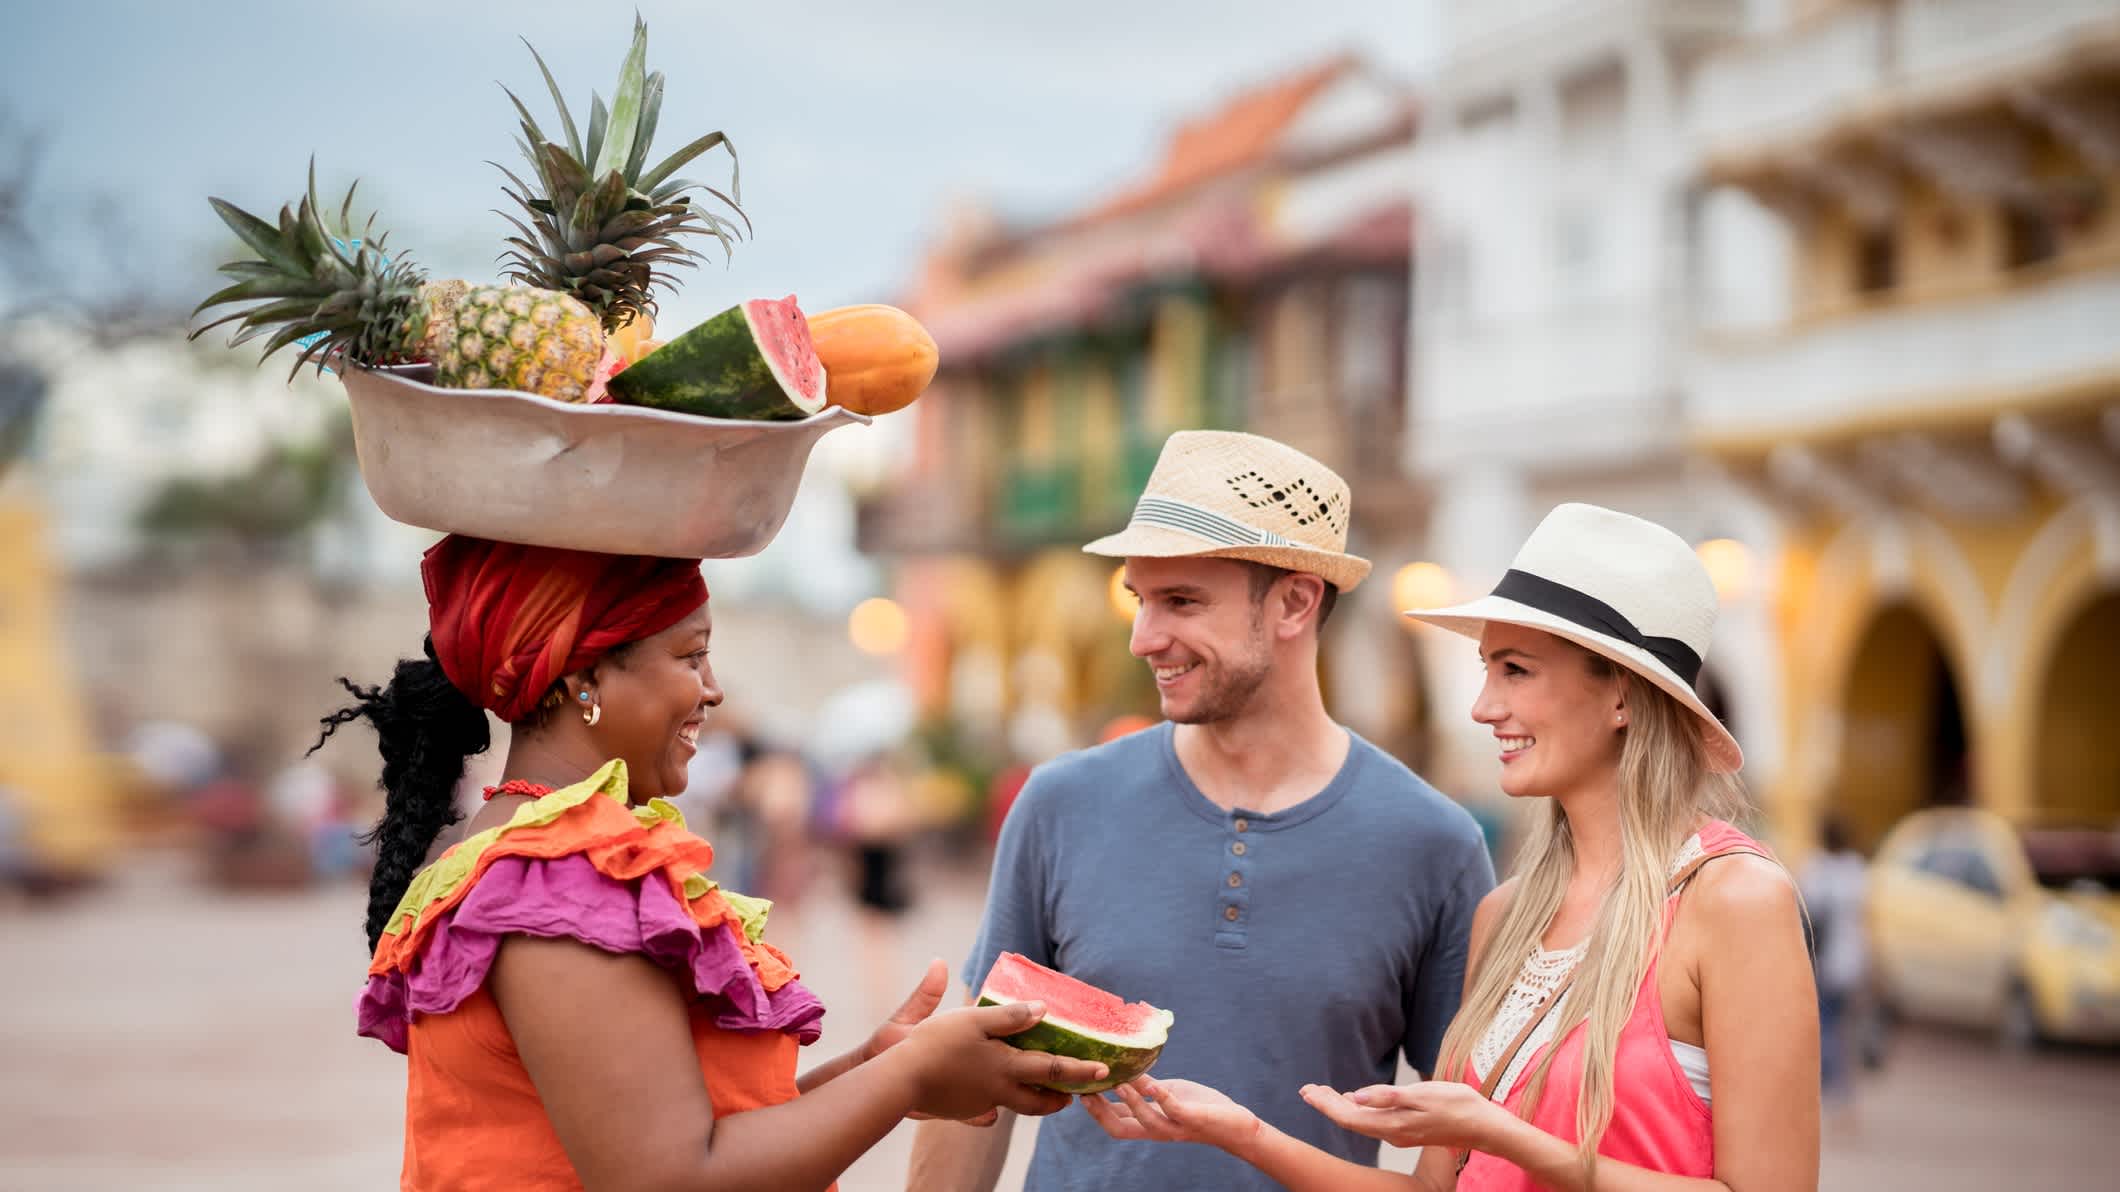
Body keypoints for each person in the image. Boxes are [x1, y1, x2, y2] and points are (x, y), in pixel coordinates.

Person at [317, 534, 1109, 1190]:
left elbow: (683, 1136)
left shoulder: (526, 850)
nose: (714, 691)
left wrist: (876, 1071)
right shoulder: (558, 875)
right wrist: (906, 1080)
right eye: (691, 657)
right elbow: (672, 1180)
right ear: (584, 675)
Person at [1080, 503, 1821, 1191]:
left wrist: (1508, 1136)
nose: (1483, 706)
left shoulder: (1734, 902)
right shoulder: (1503, 918)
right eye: (1487, 669)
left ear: (1622, 694)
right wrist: (1239, 1132)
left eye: (1516, 671)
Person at [909, 430, 1495, 1192]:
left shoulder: (1435, 845)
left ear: (1293, 602)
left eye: (1180, 602)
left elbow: (1465, 1137)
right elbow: (978, 1089)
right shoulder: (1059, 804)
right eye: (1140, 600)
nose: (1144, 638)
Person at [1798, 813, 1868, 1132]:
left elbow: (1806, 919)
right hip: (1852, 963)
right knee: (1844, 1030)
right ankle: (1845, 1096)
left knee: (1824, 1028)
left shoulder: (1816, 872)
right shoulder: (1856, 871)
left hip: (1824, 964)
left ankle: (1825, 1096)